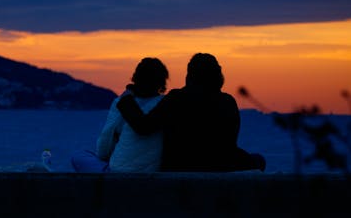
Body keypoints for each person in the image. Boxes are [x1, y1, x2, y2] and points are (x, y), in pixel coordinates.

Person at [116, 53, 266, 172]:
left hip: (178, 167)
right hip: (221, 166)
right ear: (218, 77)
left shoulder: (176, 98)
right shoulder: (228, 102)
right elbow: (229, 143)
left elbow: (143, 126)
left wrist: (126, 100)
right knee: (258, 160)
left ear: (189, 76)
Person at [71, 57, 169, 172]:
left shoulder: (121, 103)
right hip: (152, 173)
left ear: (135, 78)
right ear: (161, 82)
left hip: (118, 173)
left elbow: (104, 148)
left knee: (78, 156)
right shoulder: (166, 103)